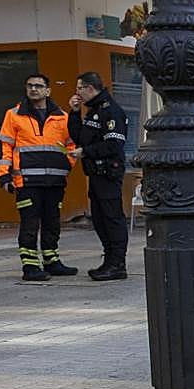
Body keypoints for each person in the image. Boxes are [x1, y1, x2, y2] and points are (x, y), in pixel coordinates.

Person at [0, 73, 78, 281]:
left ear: (48, 91)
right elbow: (5, 147)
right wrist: (4, 178)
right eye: (30, 86)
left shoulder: (62, 117)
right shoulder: (13, 115)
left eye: (38, 86)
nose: (34, 89)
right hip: (26, 181)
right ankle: (30, 266)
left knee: (52, 222)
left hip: (55, 181)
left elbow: (71, 146)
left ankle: (52, 261)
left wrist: (66, 165)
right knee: (30, 223)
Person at [67, 72, 129, 281]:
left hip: (108, 173)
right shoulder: (93, 111)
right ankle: (109, 260)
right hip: (95, 174)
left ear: (90, 88)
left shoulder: (110, 111)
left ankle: (118, 264)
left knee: (112, 218)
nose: (77, 93)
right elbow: (80, 138)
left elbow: (114, 144)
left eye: (79, 89)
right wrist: (74, 113)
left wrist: (86, 152)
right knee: (100, 220)